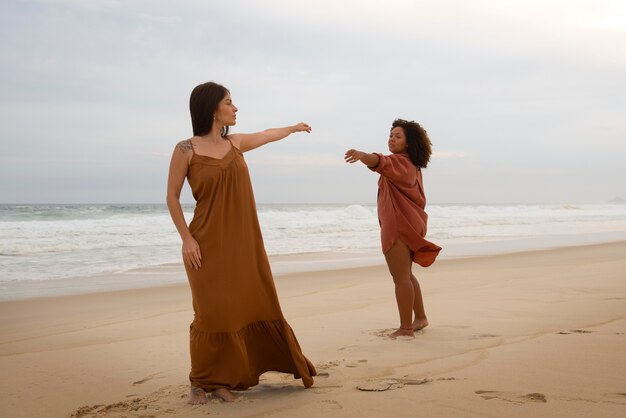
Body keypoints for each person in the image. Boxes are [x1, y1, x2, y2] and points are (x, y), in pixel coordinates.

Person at [166, 81, 316, 404]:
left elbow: (266, 134)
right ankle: (200, 380)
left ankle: (224, 380)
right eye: (229, 102)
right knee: (210, 313)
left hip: (242, 244)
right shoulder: (185, 150)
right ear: (212, 108)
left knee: (237, 309)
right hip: (204, 244)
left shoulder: (235, 144)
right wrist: (186, 239)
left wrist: (292, 128)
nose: (235, 108)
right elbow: (171, 198)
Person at [344, 119, 441, 339]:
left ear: (408, 143)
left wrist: (361, 155)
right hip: (408, 223)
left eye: (398, 136)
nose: (392, 138)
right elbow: (382, 163)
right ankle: (420, 318)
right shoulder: (410, 165)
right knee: (405, 275)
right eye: (391, 135)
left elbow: (379, 161)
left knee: (401, 279)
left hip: (399, 226)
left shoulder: (401, 163)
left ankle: (406, 329)